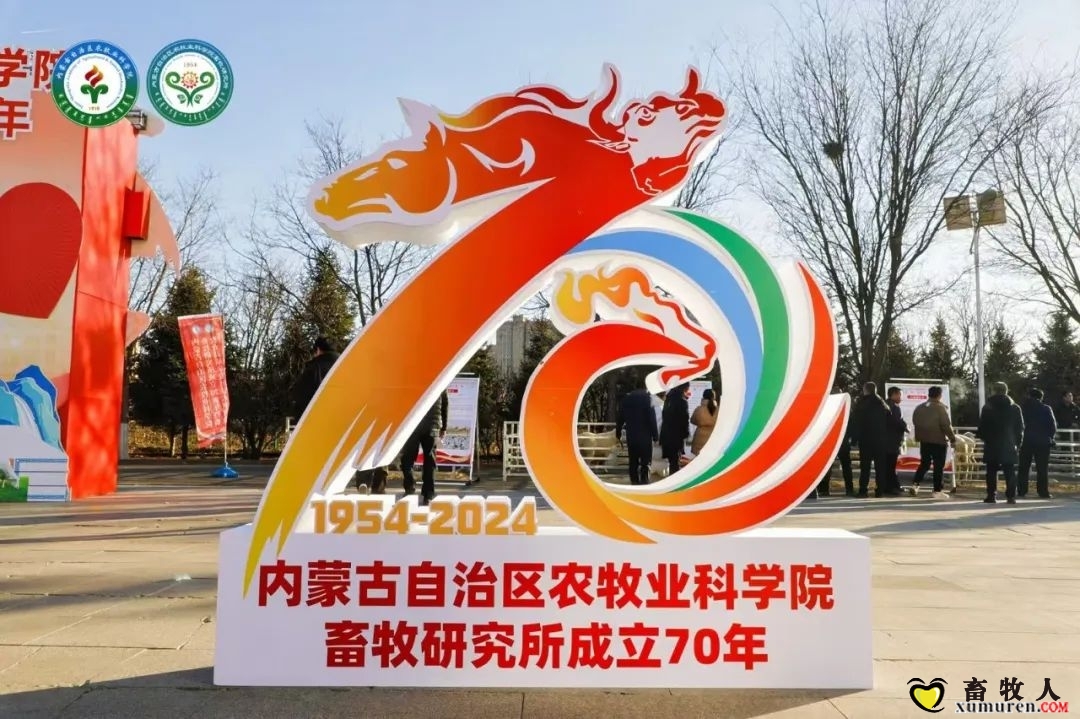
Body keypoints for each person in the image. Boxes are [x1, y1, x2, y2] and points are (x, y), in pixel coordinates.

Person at [977, 382, 1024, 504]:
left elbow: (982, 427)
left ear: (994, 391)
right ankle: (1011, 496)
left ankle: (991, 495)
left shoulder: (987, 407)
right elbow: (1020, 428)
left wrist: (985, 438)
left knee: (991, 471)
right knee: (1009, 471)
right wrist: (1018, 443)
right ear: (1006, 391)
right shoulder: (1015, 407)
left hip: (992, 443)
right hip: (1009, 443)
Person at [400, 389, 449, 505]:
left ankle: (410, 486)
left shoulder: (411, 379)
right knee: (429, 460)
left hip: (413, 424)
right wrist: (444, 427)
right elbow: (445, 403)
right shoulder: (439, 379)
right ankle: (428, 494)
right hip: (431, 425)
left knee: (407, 458)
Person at [911, 385, 956, 499]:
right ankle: (937, 491)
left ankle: (915, 484)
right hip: (938, 441)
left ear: (929, 394)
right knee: (938, 466)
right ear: (939, 395)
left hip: (924, 441)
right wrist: (952, 438)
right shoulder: (940, 408)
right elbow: (945, 425)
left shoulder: (919, 407)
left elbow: (915, 421)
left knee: (924, 464)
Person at [850, 382, 890, 497]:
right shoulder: (883, 404)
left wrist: (854, 439)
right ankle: (880, 490)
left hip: (865, 439)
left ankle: (863, 490)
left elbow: (855, 422)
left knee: (865, 467)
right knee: (880, 467)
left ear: (865, 390)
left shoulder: (861, 404)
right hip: (881, 440)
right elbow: (889, 420)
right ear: (875, 390)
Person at [616, 383, 659, 485]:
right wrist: (655, 436)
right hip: (645, 436)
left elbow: (620, 418)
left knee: (633, 461)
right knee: (645, 461)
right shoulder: (648, 399)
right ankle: (644, 480)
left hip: (632, 435)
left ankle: (634, 481)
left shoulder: (626, 399)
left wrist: (618, 432)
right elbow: (652, 419)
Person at [1019, 387, 1056, 499]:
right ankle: (1043, 491)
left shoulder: (1023, 408)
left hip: (1026, 441)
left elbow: (1019, 424)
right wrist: (1050, 437)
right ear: (1041, 397)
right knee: (1042, 468)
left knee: (1023, 467)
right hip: (1042, 442)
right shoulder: (1046, 408)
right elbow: (1052, 425)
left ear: (1029, 396)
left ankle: (1021, 490)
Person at [292, 337, 339, 417]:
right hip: (345, 418)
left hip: (318, 418)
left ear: (318, 350)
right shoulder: (346, 366)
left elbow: (300, 396)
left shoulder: (313, 369)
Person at [659, 383, 691, 476]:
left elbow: (664, 416)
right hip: (677, 436)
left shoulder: (668, 399)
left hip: (666, 434)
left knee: (672, 461)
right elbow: (684, 420)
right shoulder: (682, 401)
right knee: (675, 462)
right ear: (685, 388)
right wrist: (687, 434)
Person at [884, 387, 908, 496]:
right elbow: (897, 422)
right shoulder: (894, 407)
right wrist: (905, 427)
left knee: (887, 466)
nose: (901, 398)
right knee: (890, 466)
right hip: (892, 442)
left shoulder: (884, 404)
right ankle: (891, 487)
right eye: (899, 395)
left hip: (885, 441)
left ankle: (891, 486)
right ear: (893, 394)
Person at [690, 388, 717, 456]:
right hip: (714, 438)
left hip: (699, 439)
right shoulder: (718, 410)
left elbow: (692, 420)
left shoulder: (699, 409)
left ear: (703, 396)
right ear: (714, 397)